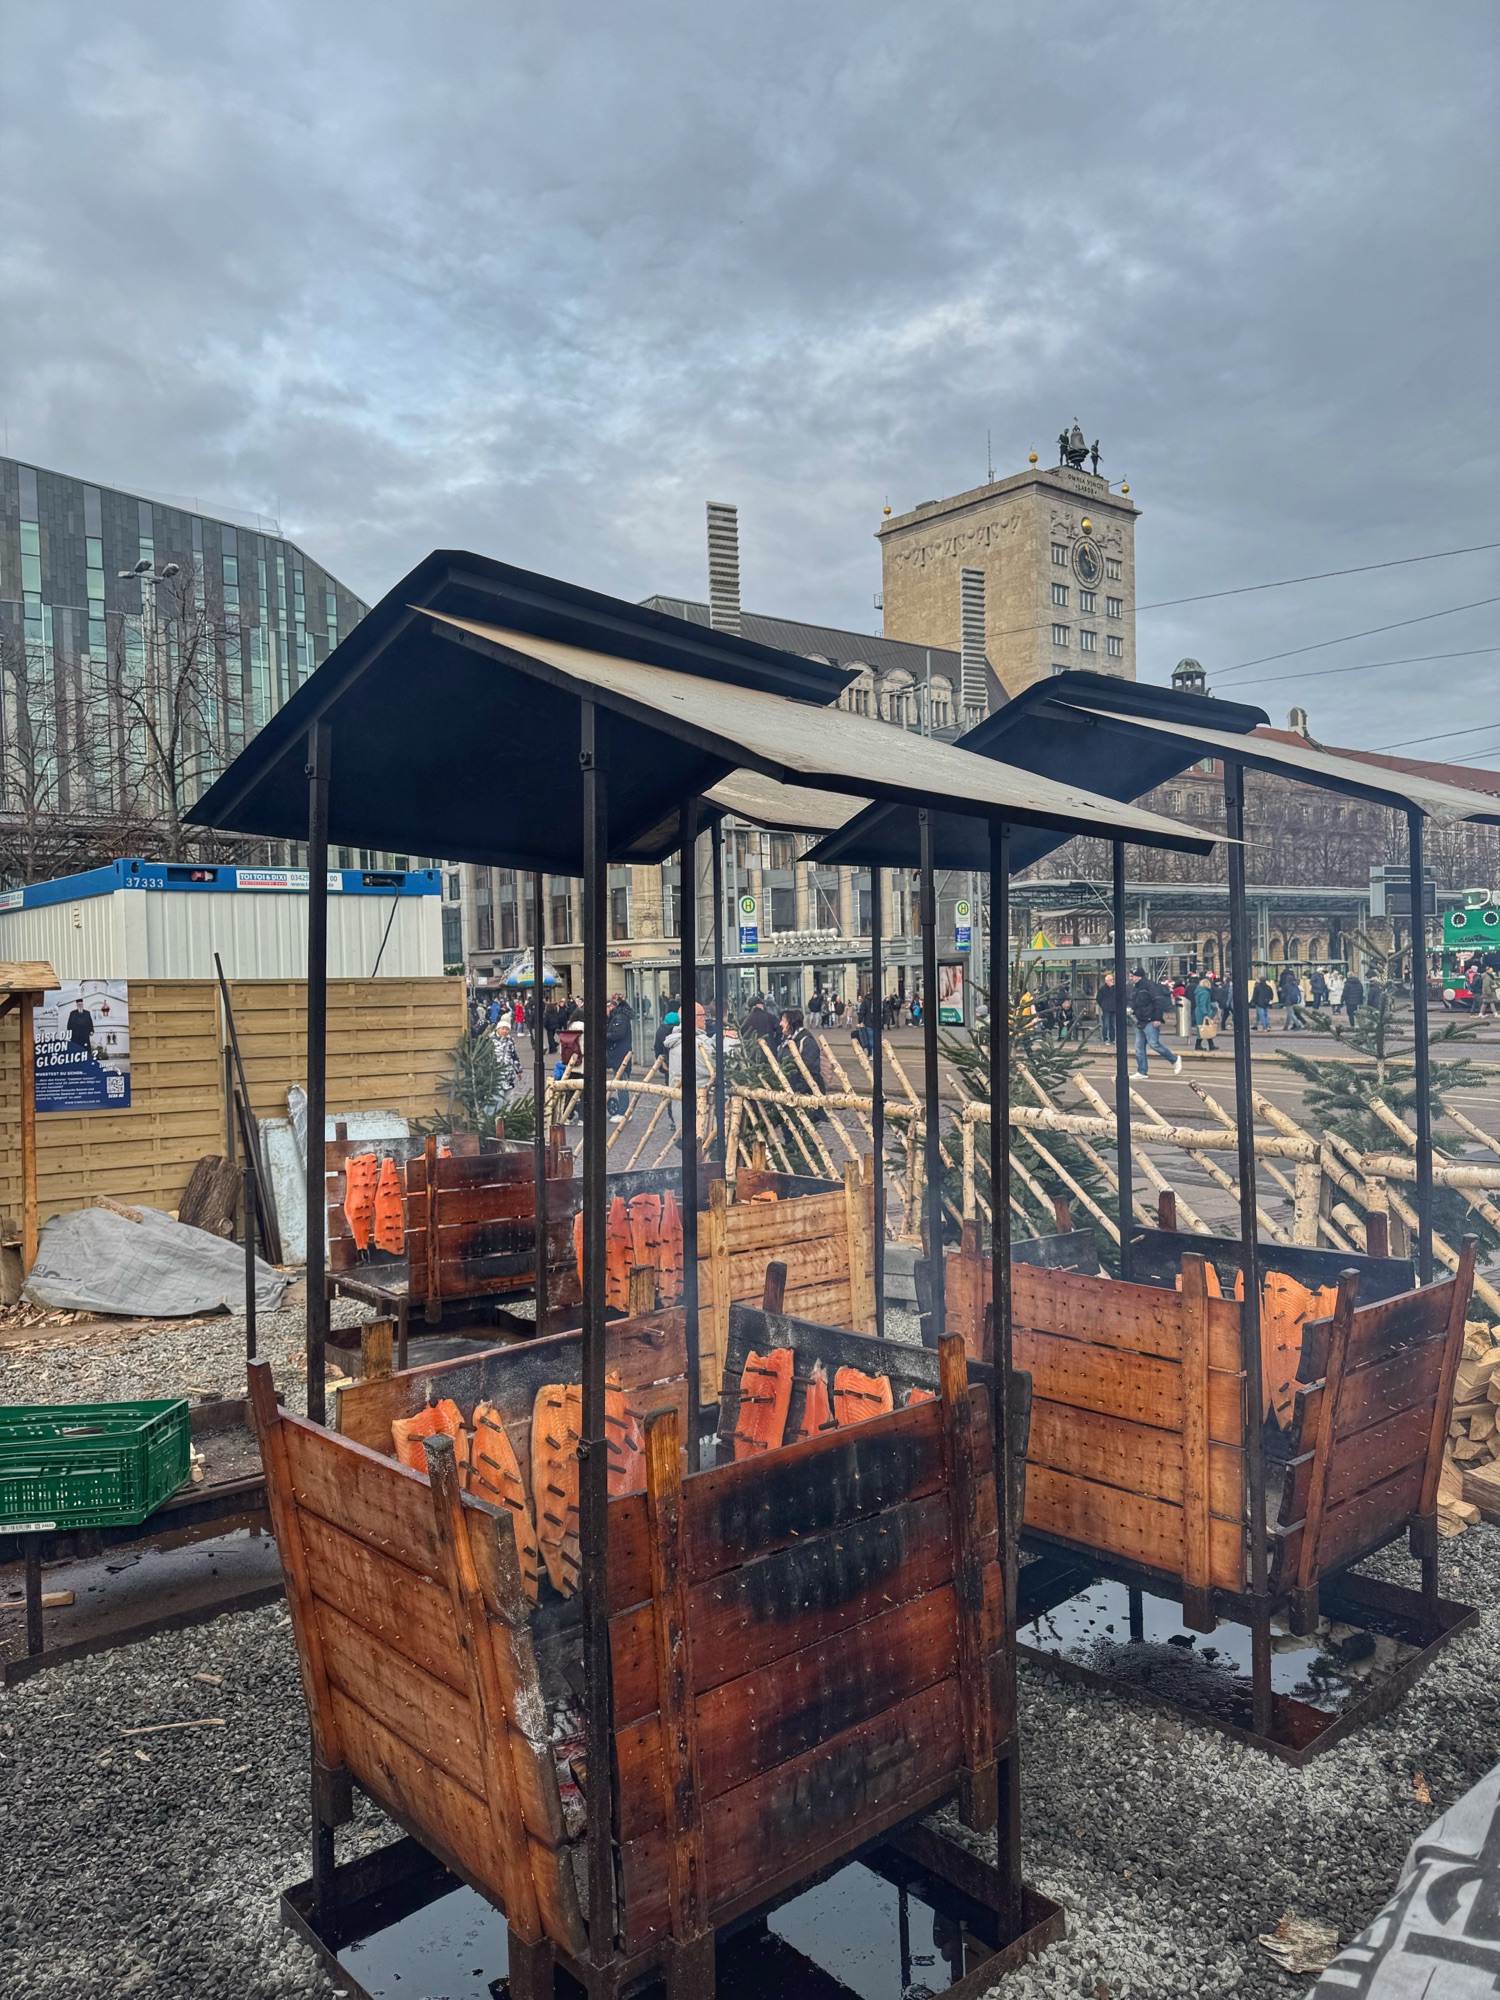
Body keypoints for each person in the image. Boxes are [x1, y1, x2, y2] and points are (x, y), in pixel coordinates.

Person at [1130, 967, 1181, 1076]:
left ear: (1138, 976)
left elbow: (1158, 1001)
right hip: (1140, 1019)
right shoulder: (1137, 987)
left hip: (1150, 1019)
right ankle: (1142, 1071)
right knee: (1139, 1047)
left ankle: (1174, 1059)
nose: (1130, 978)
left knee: (1154, 1044)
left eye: (1132, 976)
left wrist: (1157, 1018)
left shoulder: (1150, 986)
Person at [604, 994, 633, 1117]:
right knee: (620, 1082)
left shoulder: (619, 1018)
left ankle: (623, 1112)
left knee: (621, 1082)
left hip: (620, 1054)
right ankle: (622, 1110)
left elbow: (617, 1035)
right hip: (618, 1054)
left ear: (611, 1006)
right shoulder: (617, 1017)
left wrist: (604, 1036)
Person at [492, 1017, 522, 1102]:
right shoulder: (491, 1040)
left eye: (507, 1029)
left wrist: (518, 1070)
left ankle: (508, 1114)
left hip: (509, 1075)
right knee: (498, 1099)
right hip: (496, 1075)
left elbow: (514, 1056)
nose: (505, 1031)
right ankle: (499, 1114)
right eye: (503, 1029)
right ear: (498, 1029)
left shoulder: (510, 1041)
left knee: (509, 1098)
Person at [1191, 975, 1215, 1051]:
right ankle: (1205, 1045)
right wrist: (1205, 1013)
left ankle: (1209, 1045)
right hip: (1202, 1012)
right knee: (1205, 1027)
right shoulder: (1205, 992)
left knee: (1202, 1028)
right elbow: (1203, 1004)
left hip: (1198, 1010)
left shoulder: (1198, 991)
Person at [1278, 967, 1305, 1032]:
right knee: (1289, 1014)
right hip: (1294, 1001)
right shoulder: (1295, 985)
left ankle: (1298, 1025)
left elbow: (1283, 995)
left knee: (1291, 1014)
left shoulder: (1285, 986)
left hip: (1287, 1001)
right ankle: (1286, 1026)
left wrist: (1282, 1001)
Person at [1096, 971, 1119, 1046]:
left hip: (1114, 1009)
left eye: (1112, 980)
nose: (1112, 981)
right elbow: (1098, 998)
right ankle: (1105, 1038)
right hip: (1106, 1009)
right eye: (1110, 980)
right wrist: (1103, 1005)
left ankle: (1112, 1038)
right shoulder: (1102, 989)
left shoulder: (1115, 988)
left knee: (1113, 1024)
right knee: (1106, 1024)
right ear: (1106, 981)